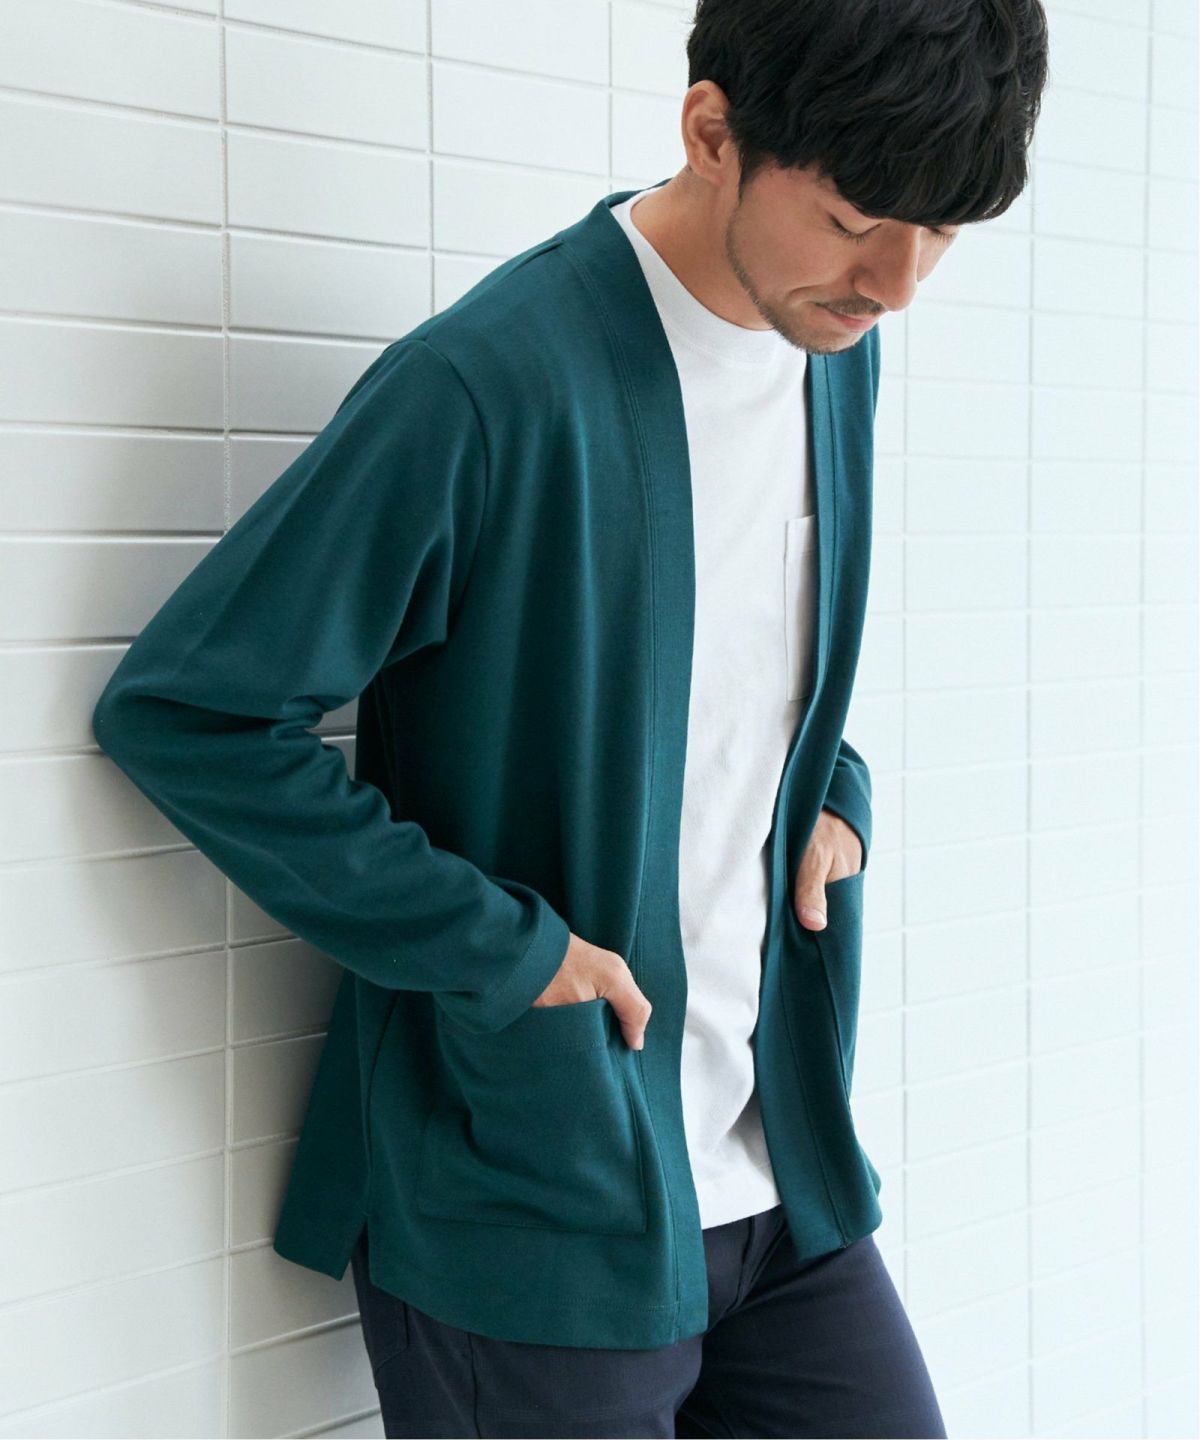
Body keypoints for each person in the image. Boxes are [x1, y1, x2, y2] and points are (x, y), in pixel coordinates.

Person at [91, 0, 1048, 1433]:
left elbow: (741, 671)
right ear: (712, 131)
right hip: (540, 1191)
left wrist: (831, 796)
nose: (897, 284)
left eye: (941, 236)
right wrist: (505, 953)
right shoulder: (490, 386)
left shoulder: (832, 348)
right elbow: (189, 711)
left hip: (774, 1161)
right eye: (857, 220)